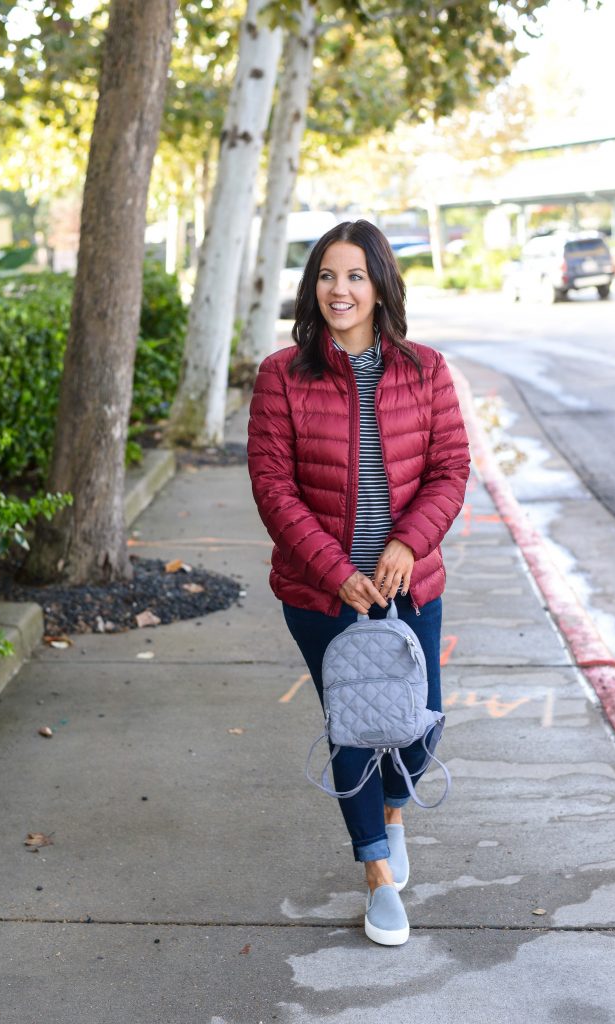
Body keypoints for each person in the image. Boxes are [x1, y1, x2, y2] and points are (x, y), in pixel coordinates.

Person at [247, 219, 470, 946]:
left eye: (353, 277)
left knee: (418, 724)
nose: (338, 290)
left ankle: (394, 814)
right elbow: (273, 487)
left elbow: (449, 472)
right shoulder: (281, 375)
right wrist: (336, 573)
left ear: (379, 287)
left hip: (409, 583)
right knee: (351, 726)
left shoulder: (425, 369)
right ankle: (376, 874)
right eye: (325, 276)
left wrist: (408, 541)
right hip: (322, 592)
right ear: (312, 288)